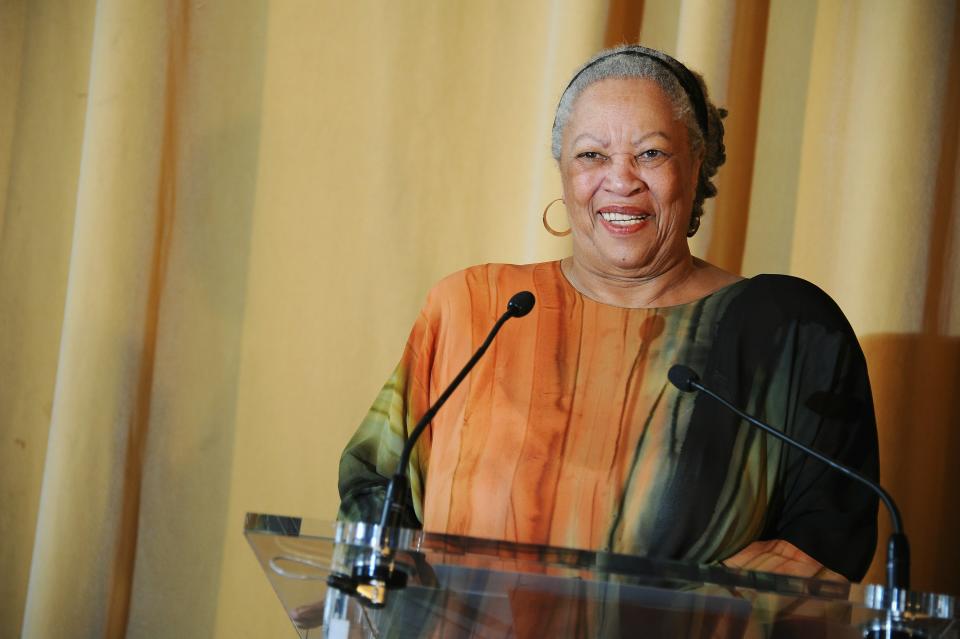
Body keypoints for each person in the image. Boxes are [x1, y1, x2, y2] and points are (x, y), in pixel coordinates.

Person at [337, 45, 879, 583]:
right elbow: (374, 492)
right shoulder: (476, 307)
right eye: (591, 155)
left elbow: (821, 545)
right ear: (563, 173)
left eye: (651, 154)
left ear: (696, 166)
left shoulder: (789, 332)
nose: (621, 181)